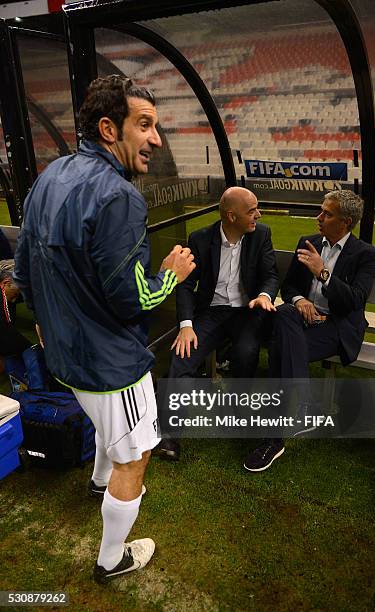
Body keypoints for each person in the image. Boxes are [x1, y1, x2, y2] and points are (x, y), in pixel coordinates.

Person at [13, 75, 195, 584]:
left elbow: (24, 270)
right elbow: (131, 300)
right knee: (135, 456)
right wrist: (172, 276)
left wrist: (48, 323)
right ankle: (112, 560)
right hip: (110, 363)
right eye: (145, 125)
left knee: (103, 425)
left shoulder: (50, 176)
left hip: (65, 354)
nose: (156, 139)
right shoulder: (120, 198)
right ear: (109, 128)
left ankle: (98, 483)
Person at [244, 189, 375, 470]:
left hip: (336, 327)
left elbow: (354, 300)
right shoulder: (308, 242)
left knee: (282, 349)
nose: (318, 218)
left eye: (327, 214)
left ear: (346, 222)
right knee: (285, 313)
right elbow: (289, 286)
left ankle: (273, 439)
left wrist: (323, 273)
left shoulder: (365, 254)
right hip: (301, 321)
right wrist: (301, 300)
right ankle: (305, 404)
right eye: (320, 211)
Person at [165, 186, 283, 465]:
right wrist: (186, 324)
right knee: (182, 355)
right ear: (231, 216)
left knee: (245, 354)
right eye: (252, 210)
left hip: (248, 312)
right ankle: (170, 434)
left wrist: (265, 296)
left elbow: (270, 275)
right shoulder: (200, 239)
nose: (258, 214)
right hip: (212, 314)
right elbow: (185, 284)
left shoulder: (261, 234)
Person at [0, 259, 31, 370]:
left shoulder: (7, 292)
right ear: (6, 283)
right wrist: (32, 349)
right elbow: (9, 337)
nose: (22, 292)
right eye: (21, 288)